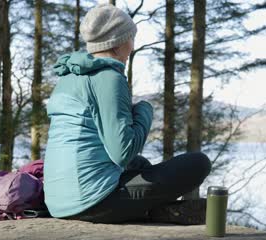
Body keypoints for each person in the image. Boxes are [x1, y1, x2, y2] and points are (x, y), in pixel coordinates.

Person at [44, 3, 211, 224]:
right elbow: (123, 151)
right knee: (198, 163)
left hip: (57, 202)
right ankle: (156, 210)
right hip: (94, 202)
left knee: (140, 165)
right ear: (119, 42)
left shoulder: (68, 77)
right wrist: (144, 112)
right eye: (131, 38)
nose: (132, 46)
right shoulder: (109, 78)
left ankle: (151, 208)